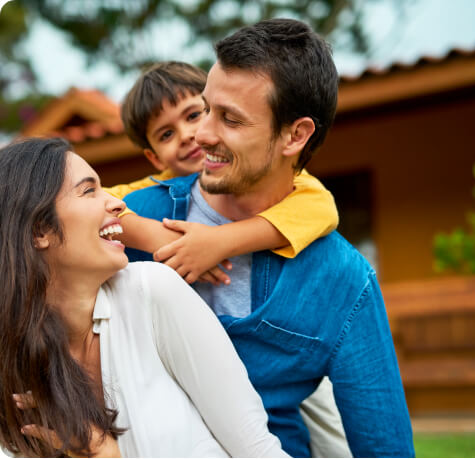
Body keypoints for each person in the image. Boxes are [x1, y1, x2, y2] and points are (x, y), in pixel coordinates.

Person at [124, 18, 415, 458]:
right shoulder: (135, 216)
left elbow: (385, 447)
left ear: (295, 136)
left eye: (231, 120)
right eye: (206, 108)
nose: (200, 136)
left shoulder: (343, 281)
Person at [0, 137, 288, 458]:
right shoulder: (10, 378)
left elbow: (258, 450)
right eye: (88, 190)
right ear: (40, 230)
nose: (117, 204)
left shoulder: (151, 292)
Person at [106, 61, 339, 287]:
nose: (187, 135)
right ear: (154, 158)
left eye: (193, 116)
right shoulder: (157, 188)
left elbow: (322, 208)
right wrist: (161, 238)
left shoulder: (275, 172)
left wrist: (221, 241)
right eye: (166, 134)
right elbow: (93, 201)